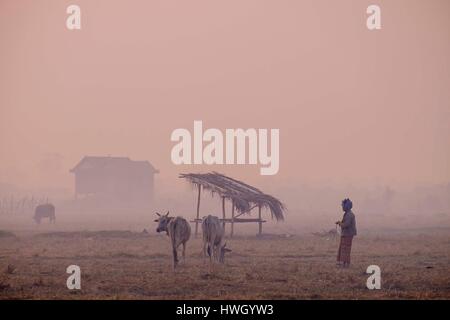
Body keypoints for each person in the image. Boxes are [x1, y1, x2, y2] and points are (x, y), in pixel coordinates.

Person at [336, 198, 357, 268]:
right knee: (344, 248)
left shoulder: (349, 215)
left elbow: (346, 224)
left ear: (346, 206)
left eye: (343, 206)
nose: (342, 207)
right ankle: (344, 263)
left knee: (345, 249)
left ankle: (346, 264)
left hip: (348, 234)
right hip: (346, 234)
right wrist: (340, 223)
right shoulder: (347, 214)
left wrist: (340, 223)